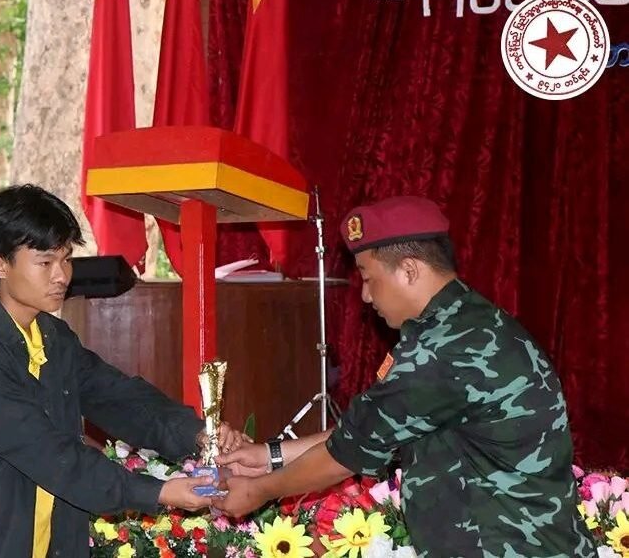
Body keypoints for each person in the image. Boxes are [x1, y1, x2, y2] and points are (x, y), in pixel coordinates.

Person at [213, 196, 596, 557]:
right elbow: (371, 429)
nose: (366, 296)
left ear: (409, 270)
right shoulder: (468, 323)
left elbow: (346, 454)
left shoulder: (443, 349)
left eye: (368, 278)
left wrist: (260, 490)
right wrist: (269, 456)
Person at [0, 184, 246, 558]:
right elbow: (44, 452)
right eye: (45, 262)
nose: (62, 275)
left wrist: (197, 434)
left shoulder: (54, 337)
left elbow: (119, 398)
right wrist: (156, 492)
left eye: (66, 258)